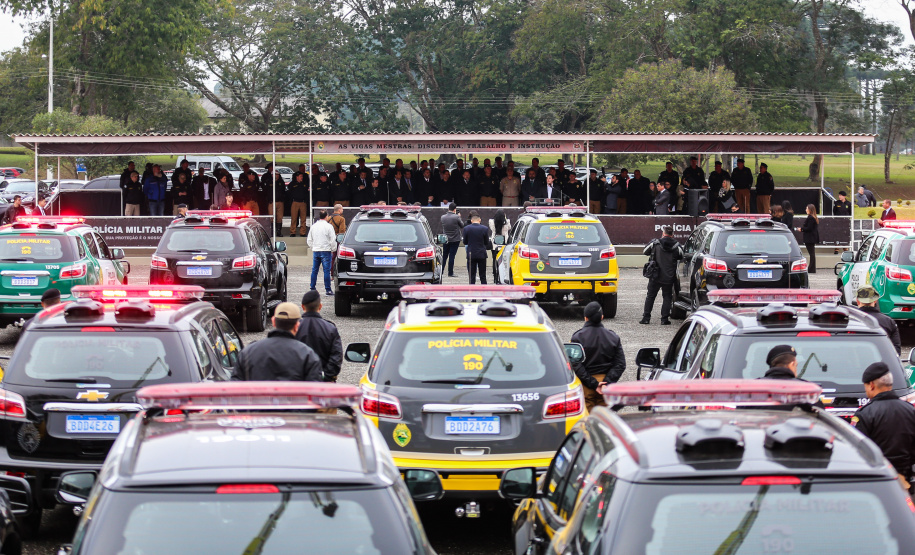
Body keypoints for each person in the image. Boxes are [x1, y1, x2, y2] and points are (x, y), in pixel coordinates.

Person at [852, 362, 915, 486]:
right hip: (905, 478)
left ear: (871, 385)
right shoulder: (910, 410)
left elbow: (858, 450)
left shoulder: (864, 414)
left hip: (877, 479)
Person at [233, 302, 324, 382]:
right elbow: (315, 390)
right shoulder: (308, 355)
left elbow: (235, 385)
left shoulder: (248, 352)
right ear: (297, 326)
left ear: (273, 321)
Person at [570, 302, 625, 412]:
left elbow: (575, 364)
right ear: (602, 317)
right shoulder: (613, 337)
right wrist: (607, 382)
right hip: (606, 387)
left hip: (586, 384)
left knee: (587, 419)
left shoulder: (577, 337)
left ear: (585, 318)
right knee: (605, 419)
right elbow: (620, 364)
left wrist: (593, 383)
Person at [295, 290, 342, 382]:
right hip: (323, 381)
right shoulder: (330, 328)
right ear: (320, 306)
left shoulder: (294, 328)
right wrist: (325, 376)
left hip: (299, 381)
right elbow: (336, 357)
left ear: (303, 307)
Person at [640, 226, 683, 325]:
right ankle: (664, 319)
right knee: (667, 297)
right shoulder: (677, 246)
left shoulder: (655, 243)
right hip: (669, 276)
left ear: (663, 233)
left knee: (650, 296)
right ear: (672, 235)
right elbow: (681, 256)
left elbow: (645, 251)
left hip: (655, 275)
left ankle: (646, 318)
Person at [855, 286, 901, 355]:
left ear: (857, 301)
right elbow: (896, 351)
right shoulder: (888, 322)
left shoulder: (851, 321)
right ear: (875, 300)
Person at [307, 210, 336, 295]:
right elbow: (332, 239)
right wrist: (333, 249)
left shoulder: (314, 226)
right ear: (326, 216)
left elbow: (309, 239)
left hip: (316, 250)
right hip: (326, 250)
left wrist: (313, 247)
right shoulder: (329, 226)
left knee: (314, 270)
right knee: (326, 271)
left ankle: (312, 288)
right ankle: (328, 289)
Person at [462, 213, 491, 284]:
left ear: (471, 221)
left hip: (471, 254)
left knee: (471, 276)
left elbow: (465, 242)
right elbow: (486, 242)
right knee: (483, 275)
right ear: (479, 220)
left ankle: (472, 289)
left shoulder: (466, 229)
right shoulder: (485, 229)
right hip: (481, 254)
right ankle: (484, 288)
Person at [441, 203, 464, 277]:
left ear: (448, 208)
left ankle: (441, 271)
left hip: (445, 239)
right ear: (455, 209)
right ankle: (450, 272)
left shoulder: (443, 217)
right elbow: (462, 225)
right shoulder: (456, 217)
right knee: (452, 256)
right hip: (455, 239)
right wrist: (459, 217)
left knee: (444, 256)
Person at [796, 203, 819, 273]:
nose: (806, 210)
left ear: (810, 210)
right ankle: (812, 268)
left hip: (810, 238)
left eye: (807, 208)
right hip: (811, 238)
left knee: (811, 253)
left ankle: (811, 269)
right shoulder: (813, 217)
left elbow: (809, 228)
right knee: (812, 253)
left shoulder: (811, 218)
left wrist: (802, 229)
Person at [489, 209, 510, 282]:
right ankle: (501, 276)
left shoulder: (491, 222)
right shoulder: (507, 222)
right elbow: (509, 228)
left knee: (494, 260)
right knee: (503, 261)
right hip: (504, 243)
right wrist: (505, 218)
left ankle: (495, 276)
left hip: (494, 243)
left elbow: (492, 229)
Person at [288, 172, 309, 237]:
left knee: (303, 218)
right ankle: (292, 232)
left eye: (302, 176)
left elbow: (307, 193)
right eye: (300, 176)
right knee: (294, 218)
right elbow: (290, 192)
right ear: (297, 177)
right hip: (295, 202)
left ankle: (303, 232)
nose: (302, 178)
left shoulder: (304, 184)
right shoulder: (292, 184)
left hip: (303, 202)